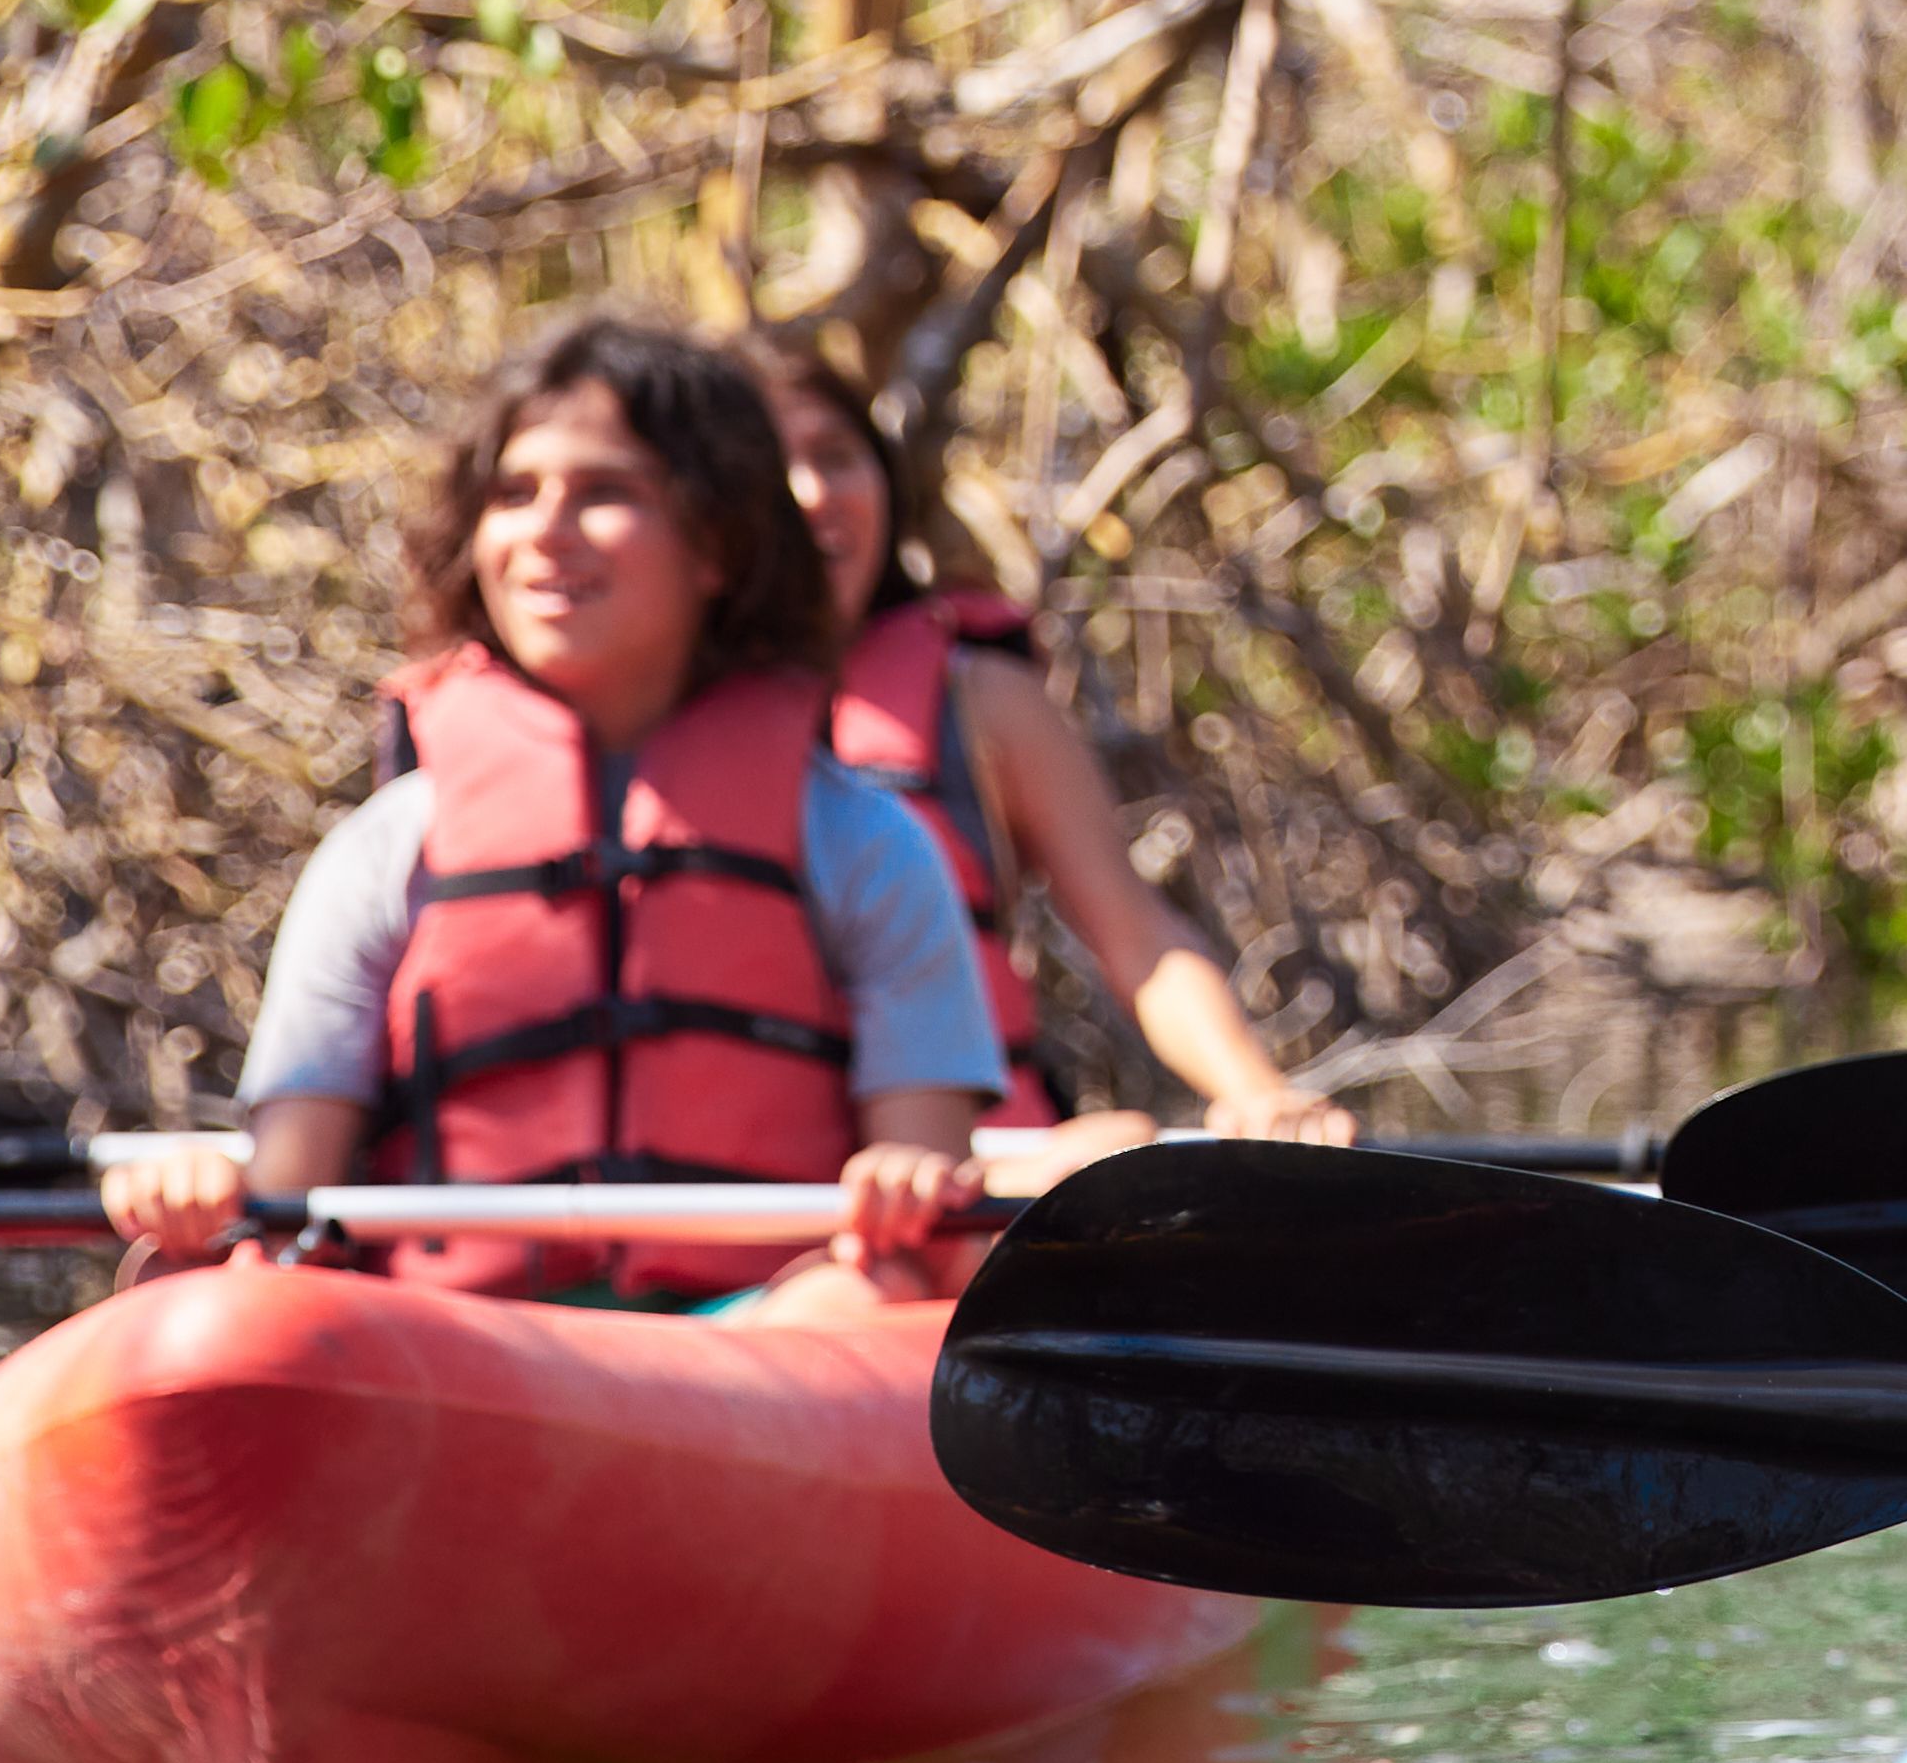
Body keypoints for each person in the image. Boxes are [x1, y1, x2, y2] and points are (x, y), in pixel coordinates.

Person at [102, 320, 1139, 1310]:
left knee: (869, 1298)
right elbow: (289, 1200)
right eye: (513, 494)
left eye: (603, 494)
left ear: (716, 545)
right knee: (232, 1306)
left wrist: (910, 1183)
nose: (544, 532)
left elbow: (923, 1176)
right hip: (440, 1346)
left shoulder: (863, 847)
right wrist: (202, 1206)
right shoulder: (385, 850)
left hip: (769, 1332)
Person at [751, 340, 1353, 1147]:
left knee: (1110, 1147)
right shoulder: (637, 718)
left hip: (976, 1167)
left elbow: (1136, 934)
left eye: (836, 458)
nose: (813, 494)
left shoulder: (985, 702)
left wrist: (1255, 1092)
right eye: (773, 467)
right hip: (757, 1176)